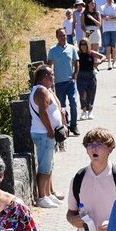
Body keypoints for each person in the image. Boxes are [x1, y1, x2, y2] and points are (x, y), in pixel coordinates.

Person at [29, 64, 66, 208]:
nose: (53, 78)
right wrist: (51, 130)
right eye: (51, 75)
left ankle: (48, 193)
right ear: (44, 77)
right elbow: (43, 113)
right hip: (44, 133)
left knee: (49, 165)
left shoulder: (44, 90)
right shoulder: (41, 91)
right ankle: (42, 197)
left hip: (45, 133)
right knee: (44, 166)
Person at [46, 27, 80, 137]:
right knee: (62, 106)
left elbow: (76, 62)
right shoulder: (53, 50)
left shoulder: (72, 48)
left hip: (70, 81)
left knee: (73, 103)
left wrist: (75, 74)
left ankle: (74, 125)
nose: (63, 37)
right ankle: (66, 125)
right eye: (61, 35)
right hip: (59, 83)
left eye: (64, 35)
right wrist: (50, 80)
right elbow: (49, 65)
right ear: (57, 37)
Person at [76, 39, 105, 122]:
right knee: (82, 94)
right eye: (81, 44)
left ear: (88, 45)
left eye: (85, 44)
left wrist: (99, 62)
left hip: (91, 75)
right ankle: (84, 111)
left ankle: (90, 111)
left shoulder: (91, 53)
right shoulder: (78, 54)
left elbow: (103, 57)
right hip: (81, 76)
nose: (83, 46)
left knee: (91, 94)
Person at [100, 0, 116, 68]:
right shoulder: (102, 7)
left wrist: (108, 17)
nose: (110, 0)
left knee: (114, 46)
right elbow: (102, 17)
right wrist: (112, 17)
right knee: (108, 47)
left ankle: (114, 62)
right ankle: (109, 63)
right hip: (106, 29)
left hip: (114, 28)